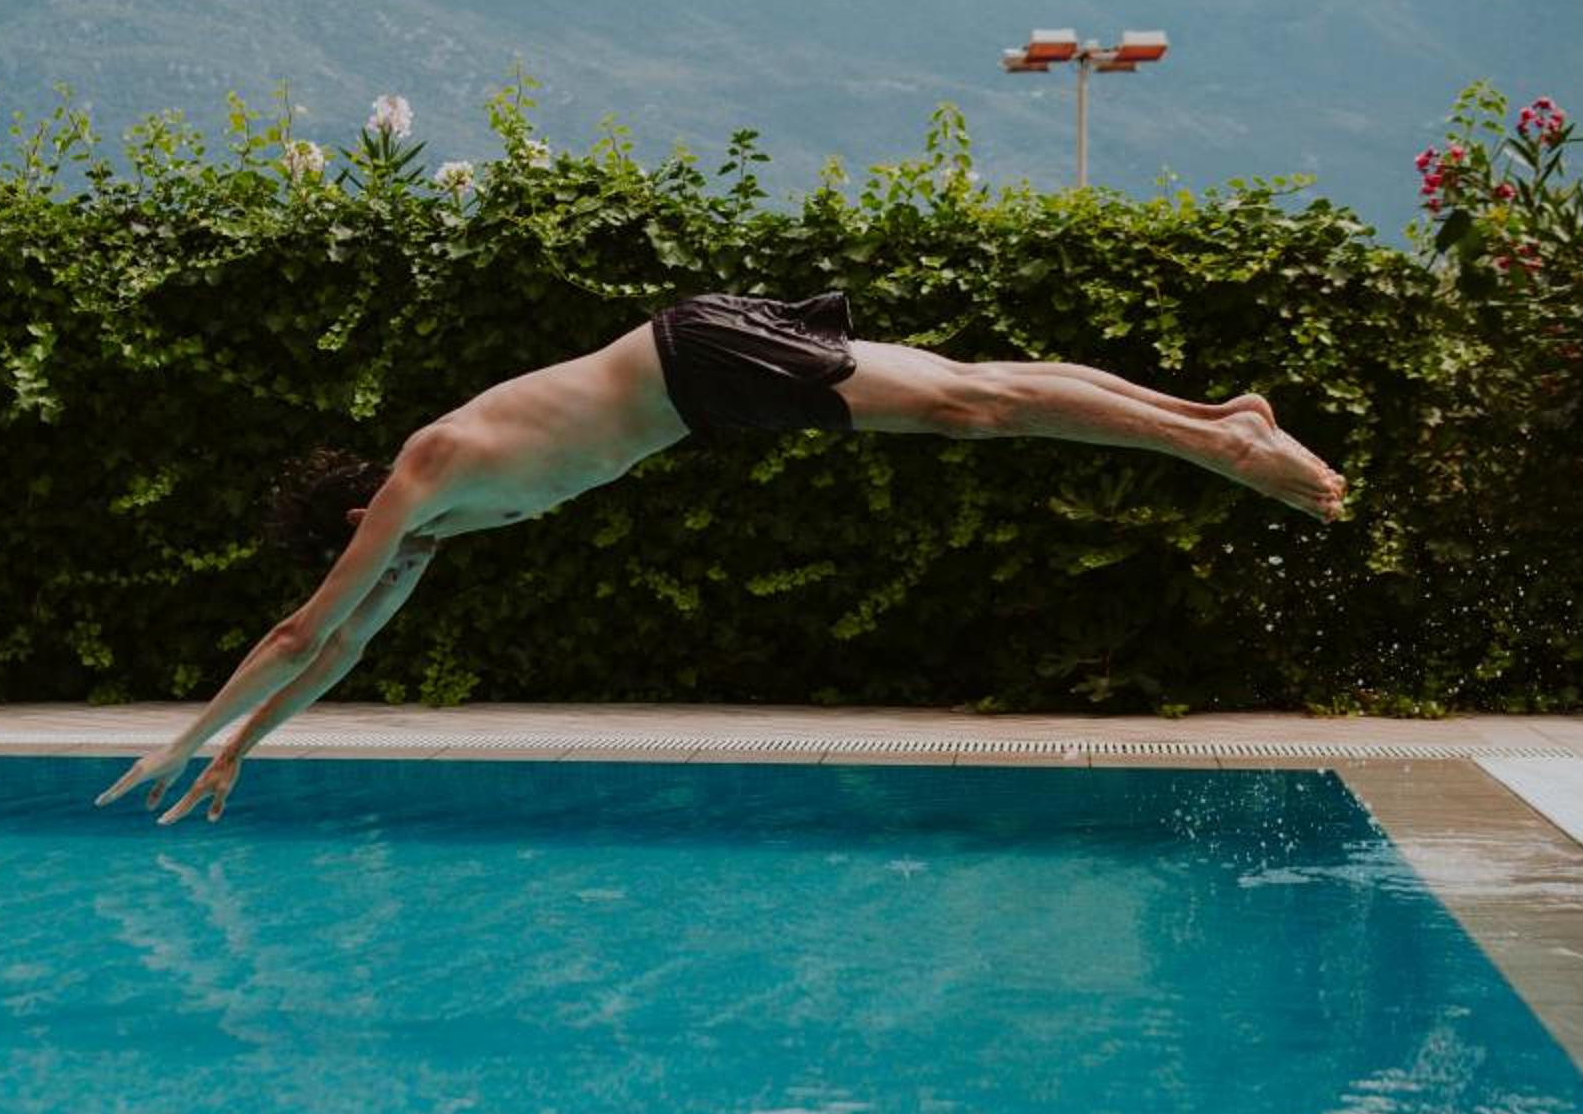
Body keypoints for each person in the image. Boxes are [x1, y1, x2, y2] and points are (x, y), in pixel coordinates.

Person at [98, 289, 1345, 827]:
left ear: (354, 519)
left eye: (359, 552)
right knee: (971, 395)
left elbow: (301, 630)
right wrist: (248, 749)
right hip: (704, 383)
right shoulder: (440, 529)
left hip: (693, 361)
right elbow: (339, 652)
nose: (376, 570)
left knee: (968, 408)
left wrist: (185, 738)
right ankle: (1215, 418)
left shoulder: (422, 474)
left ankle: (1215, 445)